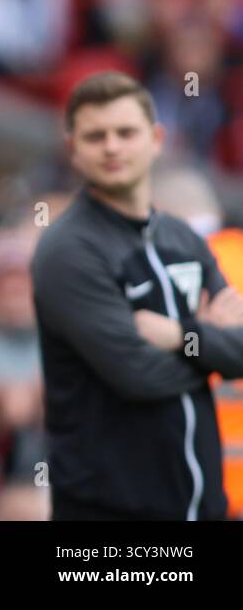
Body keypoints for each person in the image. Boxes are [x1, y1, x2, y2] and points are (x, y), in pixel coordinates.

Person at [32, 71, 243, 521]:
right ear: (72, 148)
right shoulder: (69, 251)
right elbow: (139, 374)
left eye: (126, 132)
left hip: (201, 505)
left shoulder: (182, 238)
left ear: (156, 139)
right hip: (111, 513)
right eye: (95, 136)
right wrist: (211, 345)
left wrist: (181, 335)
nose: (112, 147)